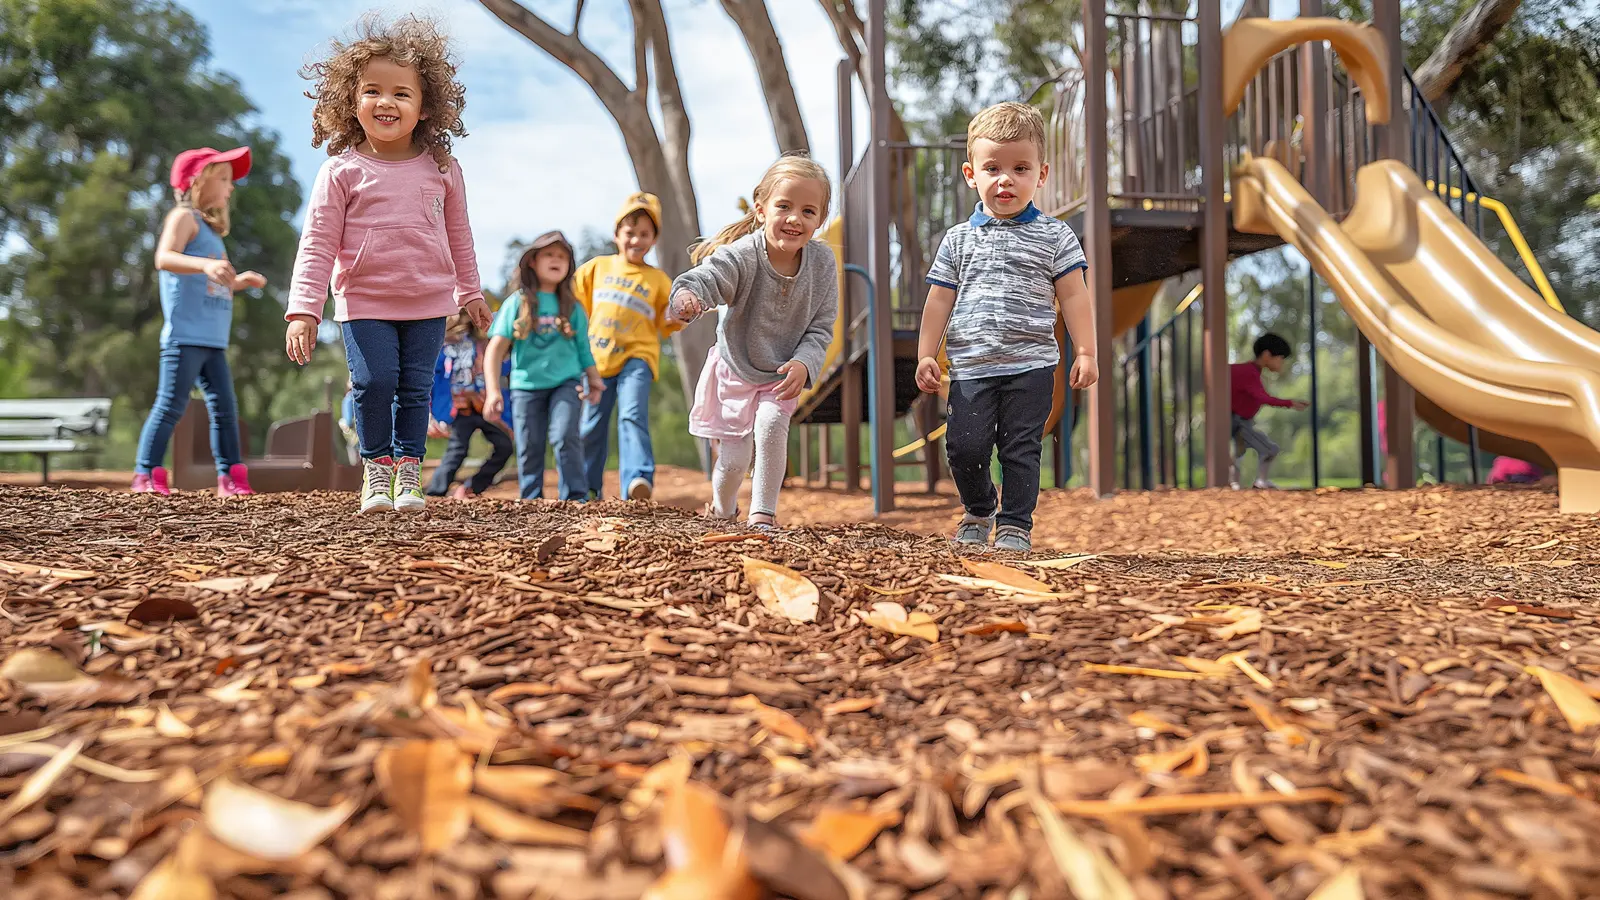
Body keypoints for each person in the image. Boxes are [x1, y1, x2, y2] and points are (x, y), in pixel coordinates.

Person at [284, 15, 492, 514]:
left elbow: (459, 235)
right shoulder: (340, 171)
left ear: (424, 108)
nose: (387, 102)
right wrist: (304, 310)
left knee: (415, 390)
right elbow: (316, 243)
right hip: (365, 300)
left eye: (402, 93)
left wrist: (471, 292)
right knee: (375, 382)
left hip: (427, 300)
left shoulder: (442, 169)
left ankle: (409, 474)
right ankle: (376, 469)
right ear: (351, 102)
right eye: (373, 91)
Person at [915, 102, 1098, 553]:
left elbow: (1074, 295)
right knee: (965, 447)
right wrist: (925, 352)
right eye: (992, 167)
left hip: (1031, 365)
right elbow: (939, 299)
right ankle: (979, 509)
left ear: (1041, 174)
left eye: (1020, 168)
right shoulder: (958, 239)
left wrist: (1088, 350)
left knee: (1020, 448)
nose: (1005, 179)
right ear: (970, 174)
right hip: (972, 366)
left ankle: (1016, 523)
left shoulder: (1055, 236)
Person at [668, 153, 839, 530]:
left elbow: (822, 327)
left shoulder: (823, 263)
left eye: (808, 211)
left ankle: (763, 515)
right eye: (784, 206)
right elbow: (709, 278)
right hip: (737, 367)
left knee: (772, 424)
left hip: (781, 372)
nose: (795, 218)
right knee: (733, 459)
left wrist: (804, 362)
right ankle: (723, 508)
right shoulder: (744, 255)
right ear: (761, 210)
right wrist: (688, 298)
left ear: (820, 221)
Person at [132, 147, 267, 498]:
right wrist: (206, 265)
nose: (231, 187)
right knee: (171, 404)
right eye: (224, 178)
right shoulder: (183, 217)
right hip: (184, 337)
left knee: (225, 409)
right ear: (198, 182)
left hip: (213, 340)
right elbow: (163, 258)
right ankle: (145, 474)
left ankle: (231, 478)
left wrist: (238, 282)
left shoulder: (211, 231)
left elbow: (210, 282)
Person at [575, 192, 681, 501]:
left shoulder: (659, 280)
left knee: (632, 415)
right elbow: (574, 308)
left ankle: (637, 480)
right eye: (630, 232)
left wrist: (680, 313)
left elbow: (668, 321)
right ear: (617, 234)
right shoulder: (596, 269)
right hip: (595, 359)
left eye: (645, 234)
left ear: (654, 239)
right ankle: (587, 487)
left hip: (638, 357)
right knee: (591, 424)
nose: (636, 239)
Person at [483, 231, 603, 501]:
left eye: (562, 256)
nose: (555, 260)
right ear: (533, 262)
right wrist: (493, 392)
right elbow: (495, 350)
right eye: (549, 254)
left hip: (566, 382)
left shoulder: (573, 307)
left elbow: (584, 349)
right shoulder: (517, 303)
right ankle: (531, 501)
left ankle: (575, 498)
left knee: (565, 437)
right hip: (526, 387)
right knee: (530, 445)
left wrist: (594, 380)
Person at [426, 310, 513, 499]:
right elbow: (434, 376)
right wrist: (432, 413)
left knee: (505, 446)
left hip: (485, 408)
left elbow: (503, 369)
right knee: (457, 450)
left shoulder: (488, 342)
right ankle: (435, 493)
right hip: (462, 409)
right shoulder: (446, 344)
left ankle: (472, 487)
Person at [1230, 333, 1308, 489]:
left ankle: (1235, 483)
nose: (1281, 364)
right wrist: (1289, 403)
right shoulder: (1248, 373)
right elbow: (1263, 398)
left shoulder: (1248, 372)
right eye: (1280, 358)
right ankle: (1259, 482)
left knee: (1239, 452)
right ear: (1266, 355)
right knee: (1268, 449)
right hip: (1238, 422)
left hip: (1240, 421)